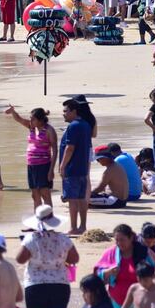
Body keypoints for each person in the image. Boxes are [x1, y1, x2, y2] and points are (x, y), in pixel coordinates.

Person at [16, 205, 78, 308]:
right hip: (59, 284)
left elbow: (20, 259)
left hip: (35, 285)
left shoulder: (31, 239)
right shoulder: (63, 239)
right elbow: (75, 258)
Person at [5, 106, 57, 207]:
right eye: (30, 118)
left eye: (33, 118)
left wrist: (51, 170)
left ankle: (49, 218)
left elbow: (55, 150)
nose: (31, 120)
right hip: (31, 165)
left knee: (45, 194)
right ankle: (38, 219)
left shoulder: (49, 130)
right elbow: (19, 119)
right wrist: (12, 111)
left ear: (41, 120)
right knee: (34, 194)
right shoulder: (31, 127)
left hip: (44, 165)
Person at [94, 224, 155, 308]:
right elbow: (96, 274)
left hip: (141, 303)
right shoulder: (111, 252)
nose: (119, 243)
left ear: (131, 238)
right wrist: (108, 272)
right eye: (117, 240)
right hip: (116, 303)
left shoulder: (144, 253)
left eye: (122, 240)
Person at [59, 98, 92, 234]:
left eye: (66, 111)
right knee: (81, 198)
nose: (64, 114)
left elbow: (70, 148)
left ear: (74, 111)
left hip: (72, 168)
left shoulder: (73, 126)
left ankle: (73, 227)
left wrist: (62, 166)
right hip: (82, 167)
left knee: (72, 199)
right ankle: (82, 226)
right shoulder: (85, 124)